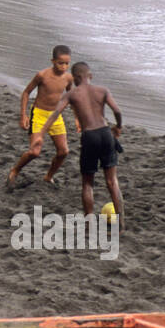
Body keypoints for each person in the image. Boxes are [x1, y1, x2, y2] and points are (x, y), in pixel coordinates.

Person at [32, 61, 124, 230]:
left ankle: (89, 225)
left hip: (89, 136)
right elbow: (117, 111)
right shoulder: (102, 90)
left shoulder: (71, 94)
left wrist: (41, 134)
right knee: (112, 181)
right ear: (90, 76)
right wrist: (117, 127)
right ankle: (122, 225)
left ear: (74, 79)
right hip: (105, 133)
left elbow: (55, 113)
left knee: (88, 182)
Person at [7, 45, 74, 186]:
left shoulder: (68, 78)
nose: (63, 66)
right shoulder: (42, 75)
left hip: (55, 117)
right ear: (52, 61)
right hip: (38, 114)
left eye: (67, 63)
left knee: (63, 152)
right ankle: (15, 170)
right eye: (60, 63)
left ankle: (48, 176)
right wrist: (23, 115)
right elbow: (26, 93)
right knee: (34, 152)